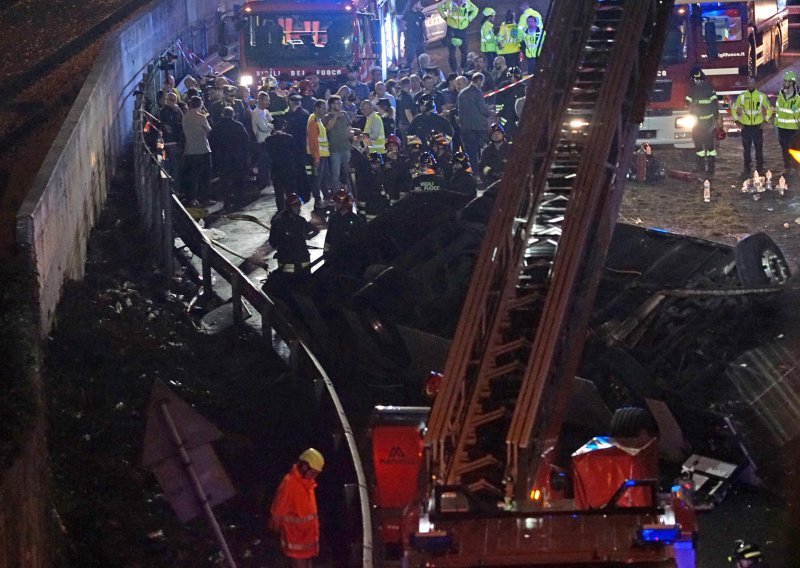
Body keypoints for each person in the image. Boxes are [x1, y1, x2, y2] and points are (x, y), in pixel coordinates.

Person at [270, 448, 325, 568]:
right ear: (304, 466)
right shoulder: (289, 484)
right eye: (313, 473)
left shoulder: (308, 484)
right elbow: (277, 513)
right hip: (295, 541)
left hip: (307, 540)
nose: (314, 477)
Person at [209, 106, 250, 211]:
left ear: (223, 114)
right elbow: (246, 140)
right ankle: (239, 201)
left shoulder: (217, 127)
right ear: (233, 114)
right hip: (237, 158)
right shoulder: (238, 125)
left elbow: (212, 142)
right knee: (238, 180)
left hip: (223, 159)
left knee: (224, 181)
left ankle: (227, 202)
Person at [731, 76, 772, 179]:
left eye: (752, 83)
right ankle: (747, 169)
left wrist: (765, 121)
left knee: (759, 149)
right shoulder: (742, 96)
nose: (750, 85)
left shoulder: (761, 96)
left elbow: (769, 108)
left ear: (755, 84)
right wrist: (737, 121)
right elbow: (734, 108)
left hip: (757, 127)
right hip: (746, 127)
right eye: (749, 83)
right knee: (747, 150)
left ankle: (759, 169)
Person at [268, 194, 320, 274]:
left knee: (306, 281)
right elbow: (272, 241)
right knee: (288, 282)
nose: (298, 208)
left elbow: (315, 230)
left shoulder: (300, 220)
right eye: (295, 206)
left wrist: (307, 236)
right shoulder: (279, 222)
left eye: (299, 206)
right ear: (289, 207)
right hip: (287, 259)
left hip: (302, 256)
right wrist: (283, 247)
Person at [685, 66, 720, 176]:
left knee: (706, 147)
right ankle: (706, 168)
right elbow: (687, 101)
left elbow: (714, 105)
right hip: (702, 122)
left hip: (703, 123)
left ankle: (706, 168)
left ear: (696, 79)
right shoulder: (705, 88)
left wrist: (715, 119)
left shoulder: (700, 89)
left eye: (693, 79)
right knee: (702, 147)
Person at [182, 95, 213, 206]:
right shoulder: (201, 117)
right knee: (205, 175)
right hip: (203, 148)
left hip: (190, 150)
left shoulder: (185, 117)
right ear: (200, 104)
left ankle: (192, 198)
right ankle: (205, 198)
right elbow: (209, 129)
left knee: (193, 176)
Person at [264, 118, 299, 211]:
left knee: (278, 192)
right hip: (288, 168)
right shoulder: (289, 138)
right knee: (290, 191)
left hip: (276, 169)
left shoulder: (268, 140)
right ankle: (292, 209)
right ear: (284, 127)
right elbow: (295, 154)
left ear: (274, 128)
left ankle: (280, 211)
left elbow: (267, 156)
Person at [457, 72, 490, 166]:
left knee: (472, 151)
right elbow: (482, 109)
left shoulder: (461, 93)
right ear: (479, 81)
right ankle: (482, 168)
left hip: (466, 127)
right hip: (479, 127)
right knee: (484, 148)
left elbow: (460, 112)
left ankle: (474, 171)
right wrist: (489, 113)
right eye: (482, 82)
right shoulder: (477, 92)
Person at [438, 0, 480, 73]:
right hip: (451, 30)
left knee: (464, 51)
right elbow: (440, 8)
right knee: (451, 52)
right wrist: (445, 18)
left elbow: (475, 10)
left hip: (463, 30)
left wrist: (469, 19)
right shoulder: (450, 3)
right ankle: (454, 71)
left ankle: (464, 69)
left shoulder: (467, 3)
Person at [323, 95, 353, 193]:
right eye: (338, 103)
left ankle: (351, 193)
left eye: (340, 103)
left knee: (349, 172)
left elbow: (349, 129)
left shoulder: (345, 115)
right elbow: (328, 128)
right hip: (334, 150)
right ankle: (336, 194)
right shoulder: (327, 117)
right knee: (335, 174)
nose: (340, 105)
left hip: (346, 148)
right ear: (331, 105)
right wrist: (335, 116)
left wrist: (353, 140)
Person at [774, 69, 800, 176]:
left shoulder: (799, 97)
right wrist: (776, 126)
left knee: (795, 150)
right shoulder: (780, 95)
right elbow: (778, 111)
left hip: (794, 129)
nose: (783, 83)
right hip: (782, 128)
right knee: (784, 149)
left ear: (792, 82)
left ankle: (797, 169)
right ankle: (787, 167)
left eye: (786, 81)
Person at [307, 99, 331, 211]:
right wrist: (316, 157)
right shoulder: (314, 121)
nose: (325, 111)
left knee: (324, 178)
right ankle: (317, 201)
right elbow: (313, 141)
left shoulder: (318, 120)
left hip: (323, 155)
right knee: (317, 179)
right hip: (319, 156)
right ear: (316, 108)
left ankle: (326, 198)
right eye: (323, 108)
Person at [159, 91, 184, 191]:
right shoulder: (165, 112)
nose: (172, 102)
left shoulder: (177, 111)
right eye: (170, 100)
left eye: (174, 100)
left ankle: (175, 189)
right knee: (173, 168)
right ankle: (173, 190)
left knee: (176, 168)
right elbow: (170, 126)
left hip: (176, 142)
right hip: (170, 142)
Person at [251, 91, 274, 190]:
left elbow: (273, 122)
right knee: (263, 164)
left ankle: (266, 181)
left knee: (267, 163)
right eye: (266, 100)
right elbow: (263, 128)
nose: (268, 102)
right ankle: (261, 183)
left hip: (268, 141)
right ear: (260, 100)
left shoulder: (266, 112)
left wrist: (270, 125)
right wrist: (271, 126)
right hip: (261, 142)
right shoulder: (256, 113)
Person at [404, 1, 427, 71]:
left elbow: (424, 27)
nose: (420, 5)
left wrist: (426, 37)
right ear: (415, 4)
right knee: (410, 59)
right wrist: (407, 33)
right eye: (419, 3)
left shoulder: (421, 14)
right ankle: (409, 73)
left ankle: (422, 73)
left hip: (420, 40)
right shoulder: (407, 14)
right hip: (411, 41)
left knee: (421, 59)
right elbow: (402, 26)